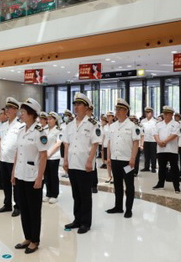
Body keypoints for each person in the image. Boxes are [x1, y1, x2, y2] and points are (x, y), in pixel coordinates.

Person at [12, 98, 48, 254]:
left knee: (34, 210)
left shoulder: (39, 132)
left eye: (24, 112)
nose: (21, 114)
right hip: (20, 174)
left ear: (32, 114)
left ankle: (35, 240)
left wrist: (40, 177)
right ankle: (27, 237)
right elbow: (18, 153)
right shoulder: (21, 130)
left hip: (33, 176)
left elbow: (44, 156)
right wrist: (13, 172)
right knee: (23, 208)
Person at [63, 93, 100, 234]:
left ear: (86, 107)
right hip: (72, 164)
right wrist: (65, 160)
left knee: (85, 196)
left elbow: (95, 144)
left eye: (79, 104)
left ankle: (85, 222)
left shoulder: (92, 124)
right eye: (75, 104)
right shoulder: (70, 124)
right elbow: (66, 143)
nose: (76, 107)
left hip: (85, 165)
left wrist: (90, 161)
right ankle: (77, 219)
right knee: (76, 195)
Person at [106, 99, 140, 218]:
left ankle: (128, 209)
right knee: (117, 184)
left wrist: (133, 158)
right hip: (115, 160)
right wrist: (108, 157)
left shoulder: (132, 126)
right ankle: (118, 207)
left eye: (120, 109)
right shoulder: (112, 126)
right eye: (116, 109)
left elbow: (136, 143)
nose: (117, 111)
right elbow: (109, 142)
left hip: (127, 161)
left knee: (129, 185)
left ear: (126, 111)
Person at [0, 97, 24, 216]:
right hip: (4, 158)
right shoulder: (4, 125)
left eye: (10, 108)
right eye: (6, 108)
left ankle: (18, 206)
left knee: (15, 184)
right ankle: (7, 204)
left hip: (14, 160)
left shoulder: (20, 125)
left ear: (16, 110)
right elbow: (2, 142)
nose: (7, 110)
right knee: (6, 183)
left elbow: (20, 145)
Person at [152, 106, 180, 193]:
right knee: (161, 168)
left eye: (167, 114)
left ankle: (176, 186)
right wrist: (159, 142)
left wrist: (164, 142)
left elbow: (174, 135)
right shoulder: (159, 124)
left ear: (171, 115)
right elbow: (155, 134)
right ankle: (160, 184)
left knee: (174, 168)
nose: (165, 115)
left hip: (172, 150)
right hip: (161, 150)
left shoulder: (176, 124)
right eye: (164, 114)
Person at [43, 111, 62, 204]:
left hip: (54, 156)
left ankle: (54, 194)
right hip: (45, 156)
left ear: (55, 120)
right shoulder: (45, 130)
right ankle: (48, 193)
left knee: (53, 176)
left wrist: (49, 153)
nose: (48, 120)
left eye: (50, 119)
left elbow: (58, 143)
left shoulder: (58, 130)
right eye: (48, 119)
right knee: (46, 176)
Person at [140, 106, 158, 172]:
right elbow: (141, 132)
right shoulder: (143, 121)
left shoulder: (155, 121)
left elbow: (157, 132)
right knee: (146, 155)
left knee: (153, 155)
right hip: (145, 140)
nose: (147, 113)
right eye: (146, 112)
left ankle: (153, 167)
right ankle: (146, 167)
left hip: (153, 140)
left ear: (152, 113)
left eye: (149, 112)